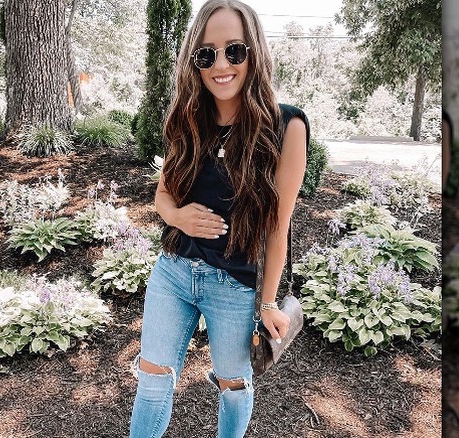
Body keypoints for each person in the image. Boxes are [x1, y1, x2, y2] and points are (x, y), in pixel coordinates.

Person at [129, 1, 309, 437]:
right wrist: (178, 217)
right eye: (207, 54)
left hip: (235, 284)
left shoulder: (287, 126)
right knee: (152, 379)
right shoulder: (188, 117)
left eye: (235, 51)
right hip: (173, 272)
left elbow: (277, 226)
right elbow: (163, 195)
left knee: (233, 383)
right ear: (196, 61)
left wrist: (267, 302)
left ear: (255, 54)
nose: (221, 64)